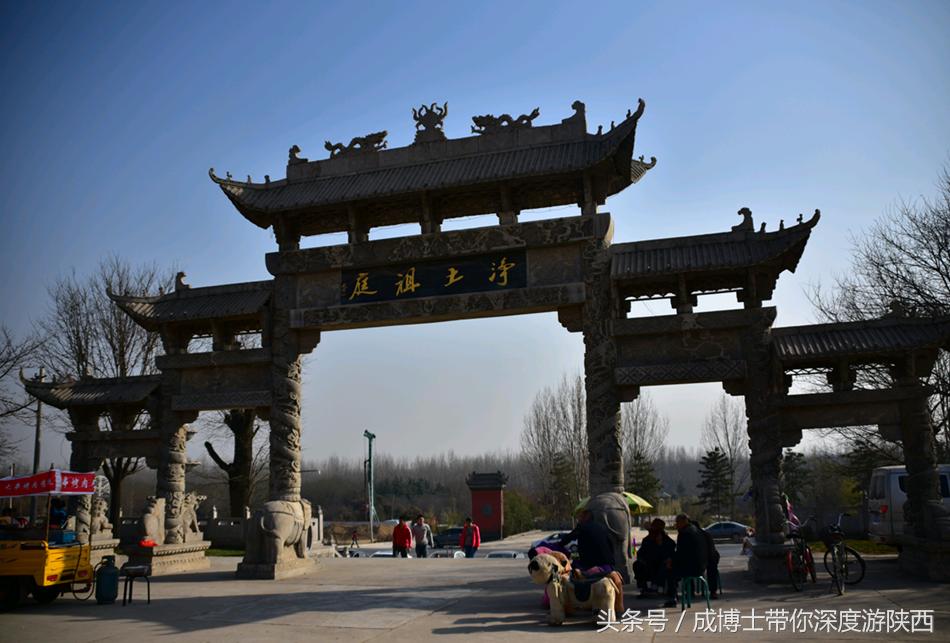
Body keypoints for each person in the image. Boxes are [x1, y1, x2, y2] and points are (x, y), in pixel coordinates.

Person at [664, 513, 707, 608]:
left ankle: (672, 597)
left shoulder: (684, 533)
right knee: (678, 566)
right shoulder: (696, 530)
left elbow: (681, 553)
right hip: (701, 566)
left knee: (670, 570)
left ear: (684, 521)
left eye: (677, 522)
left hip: (691, 568)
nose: (676, 524)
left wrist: (671, 560)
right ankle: (690, 591)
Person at [563, 509, 615, 576]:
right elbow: (611, 545)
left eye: (580, 517)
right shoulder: (602, 527)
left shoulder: (581, 527)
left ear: (586, 517)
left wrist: (558, 545)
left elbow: (567, 539)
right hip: (609, 565)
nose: (578, 519)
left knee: (571, 569)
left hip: (589, 565)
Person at [633, 518, 675, 598]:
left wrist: (660, 545)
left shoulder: (667, 541)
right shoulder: (647, 540)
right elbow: (641, 553)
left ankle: (657, 587)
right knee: (637, 565)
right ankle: (644, 588)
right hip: (648, 564)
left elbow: (669, 554)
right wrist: (642, 559)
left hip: (660, 564)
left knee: (664, 565)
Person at [692, 519, 721, 599]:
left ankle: (713, 591)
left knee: (712, 567)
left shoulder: (706, 535)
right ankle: (690, 590)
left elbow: (712, 551)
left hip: (709, 558)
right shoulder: (690, 536)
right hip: (698, 560)